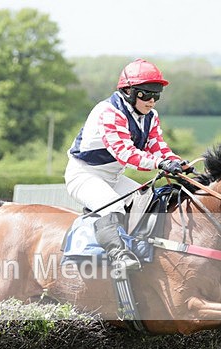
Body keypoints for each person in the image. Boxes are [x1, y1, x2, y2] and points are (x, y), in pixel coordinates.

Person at [65, 58, 188, 267]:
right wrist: (161, 164)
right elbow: (127, 154)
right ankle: (120, 257)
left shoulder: (150, 116)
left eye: (156, 95)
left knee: (150, 201)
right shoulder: (109, 112)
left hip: (114, 177)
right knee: (116, 209)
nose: (152, 101)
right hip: (84, 176)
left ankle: (143, 249)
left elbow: (157, 146)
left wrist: (177, 163)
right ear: (129, 92)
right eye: (146, 94)